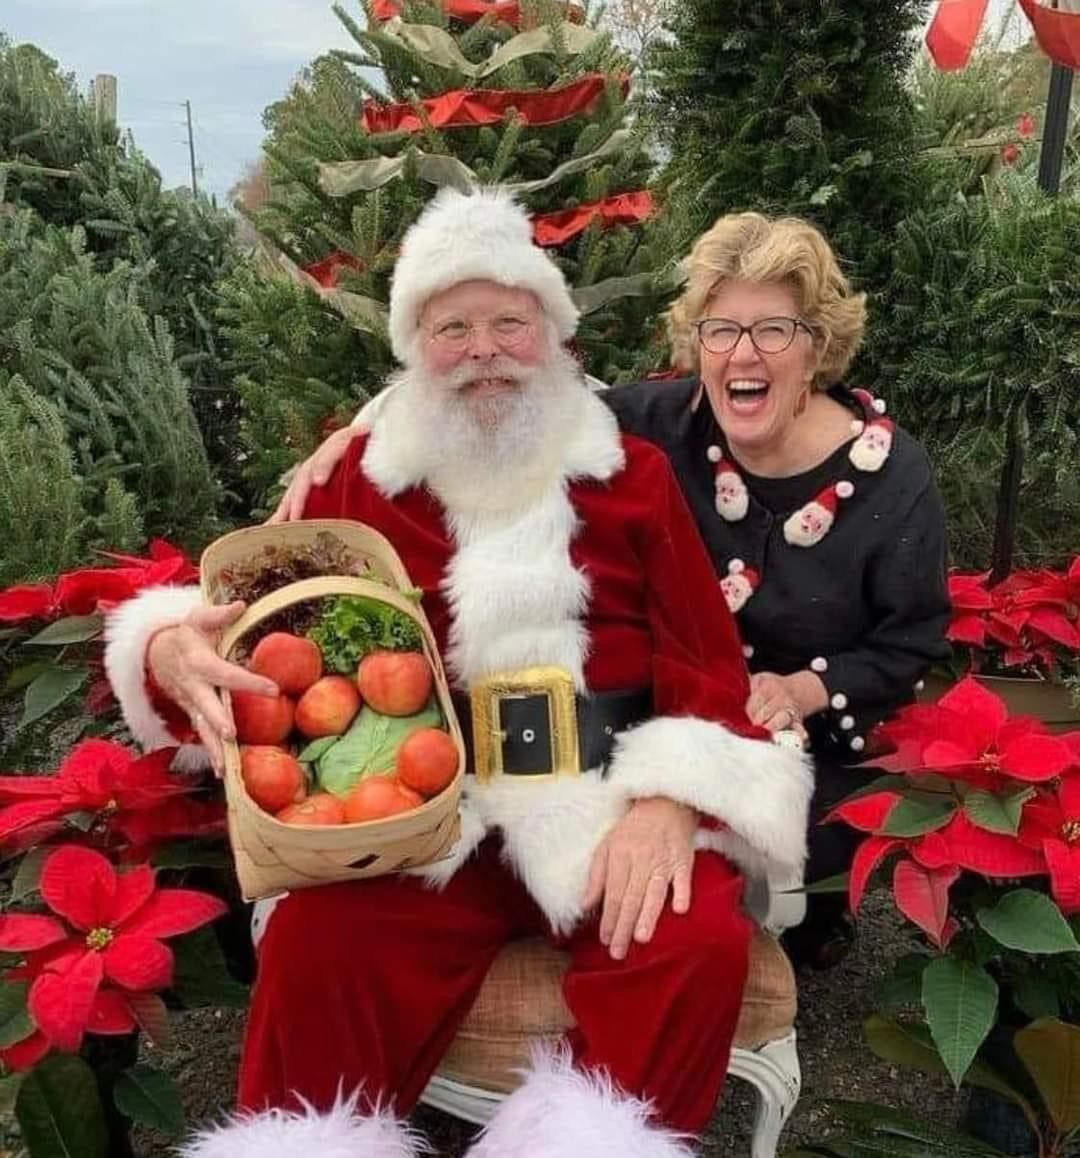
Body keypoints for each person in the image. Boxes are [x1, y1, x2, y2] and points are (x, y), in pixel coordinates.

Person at [104, 188, 813, 1157]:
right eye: (452, 328)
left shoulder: (633, 474)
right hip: (426, 811)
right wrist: (165, 643)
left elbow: (707, 668)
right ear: (413, 347)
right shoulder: (359, 476)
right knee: (324, 946)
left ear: (554, 334)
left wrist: (669, 805)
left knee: (691, 944)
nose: (484, 350)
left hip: (601, 801)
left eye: (509, 323)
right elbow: (259, 623)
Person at [277, 211, 952, 968]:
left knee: (733, 875)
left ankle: (803, 927)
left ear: (817, 345)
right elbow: (499, 387)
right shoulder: (657, 425)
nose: (742, 354)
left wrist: (799, 690)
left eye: (773, 331)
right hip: (669, 711)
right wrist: (361, 434)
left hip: (813, 726)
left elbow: (909, 641)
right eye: (720, 331)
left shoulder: (889, 478)